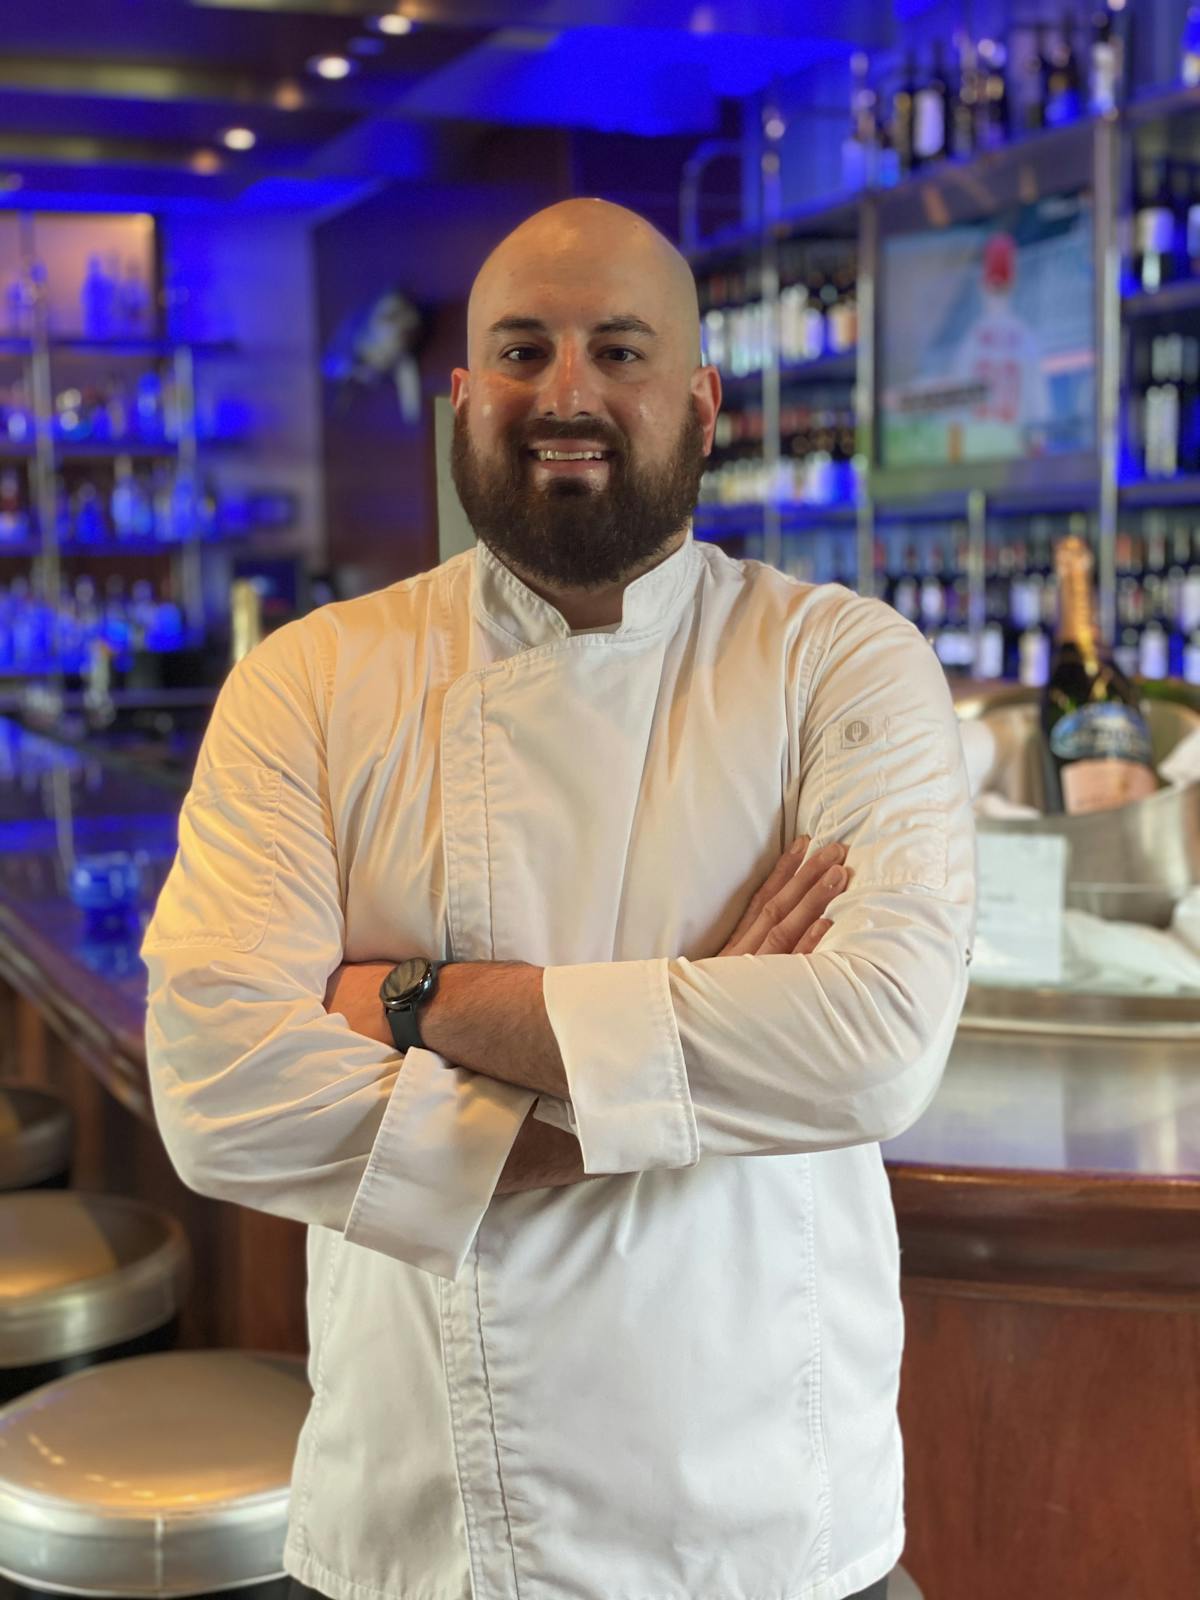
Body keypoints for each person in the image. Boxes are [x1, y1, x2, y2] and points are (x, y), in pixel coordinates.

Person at [143, 198, 975, 1600]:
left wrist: (416, 1005)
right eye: (521, 352)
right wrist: (695, 1067)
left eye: (620, 350)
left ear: (702, 401)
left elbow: (872, 1043)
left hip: (768, 1528)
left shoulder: (838, 664)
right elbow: (217, 1088)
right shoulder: (312, 681)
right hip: (432, 1525)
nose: (566, 393)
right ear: (463, 396)